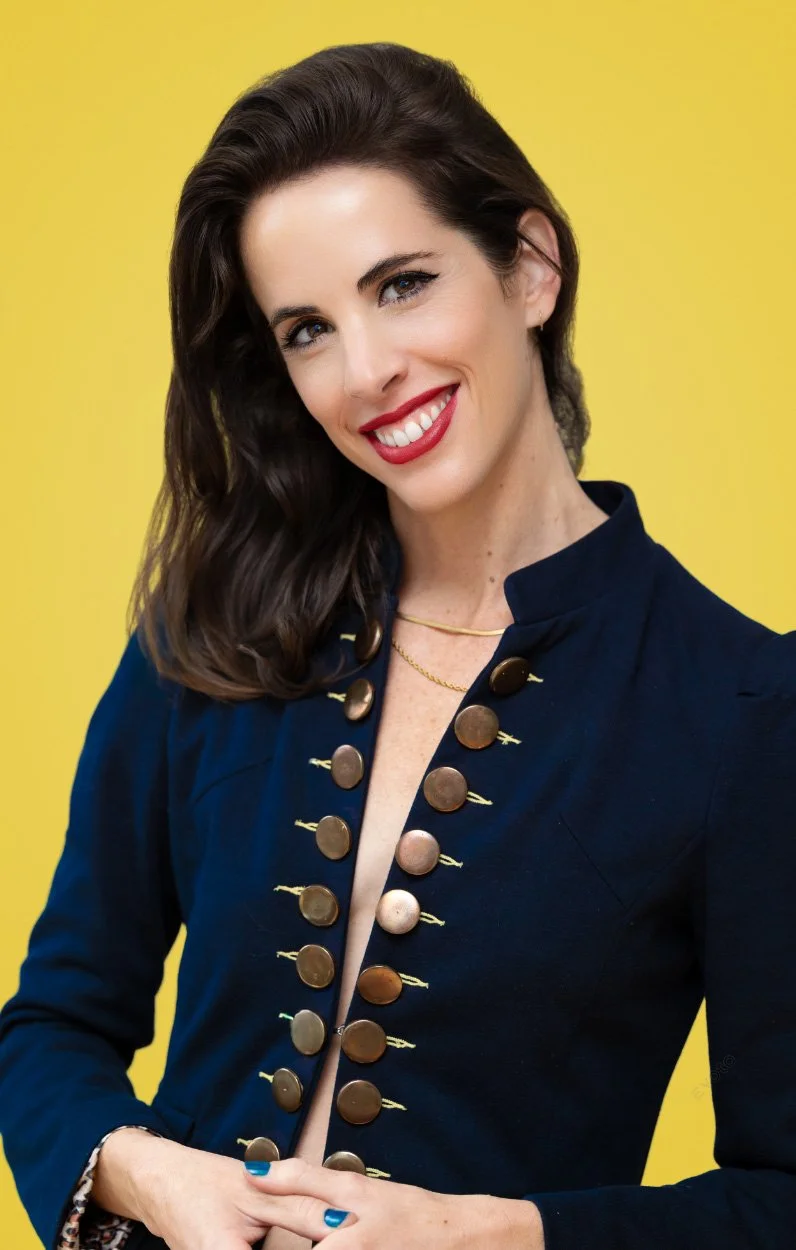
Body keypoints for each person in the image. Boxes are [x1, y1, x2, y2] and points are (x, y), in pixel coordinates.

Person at [1, 38, 795, 1250]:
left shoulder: (742, 707)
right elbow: (51, 1022)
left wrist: (498, 1233)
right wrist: (149, 1174)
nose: (366, 370)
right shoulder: (212, 629)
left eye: (403, 284)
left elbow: (779, 1193)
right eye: (305, 330)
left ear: (530, 267)